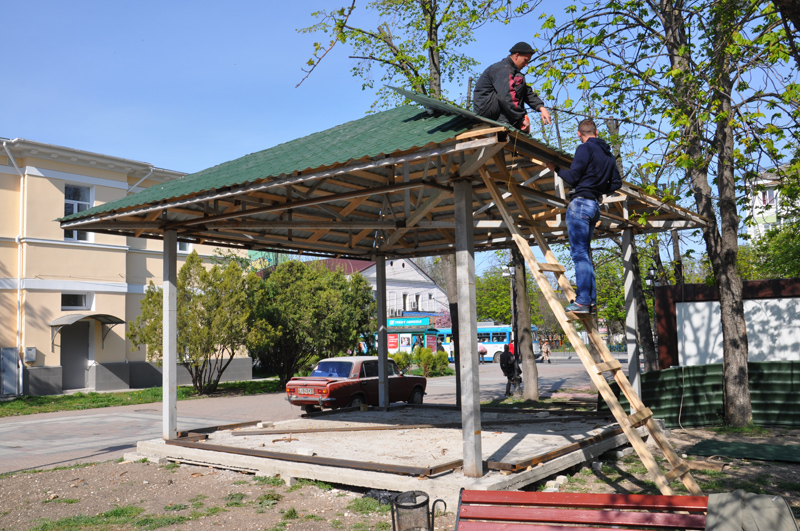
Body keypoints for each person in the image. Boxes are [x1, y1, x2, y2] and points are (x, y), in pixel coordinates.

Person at [546, 118, 622, 314]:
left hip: (580, 204)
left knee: (579, 255)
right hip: (594, 206)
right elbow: (616, 183)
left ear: (579, 134)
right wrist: (597, 188)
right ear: (596, 133)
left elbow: (572, 177)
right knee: (584, 255)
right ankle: (590, 303)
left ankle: (583, 302)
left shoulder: (584, 148)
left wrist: (555, 168)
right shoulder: (608, 155)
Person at [473, 41, 552, 133]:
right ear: (516, 55)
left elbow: (527, 93)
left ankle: (511, 121)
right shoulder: (502, 69)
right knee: (516, 83)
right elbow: (507, 95)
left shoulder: (514, 73)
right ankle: (505, 120)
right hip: (486, 112)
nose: (527, 64)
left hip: (496, 109)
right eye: (525, 60)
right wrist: (520, 118)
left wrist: (541, 108)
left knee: (520, 81)